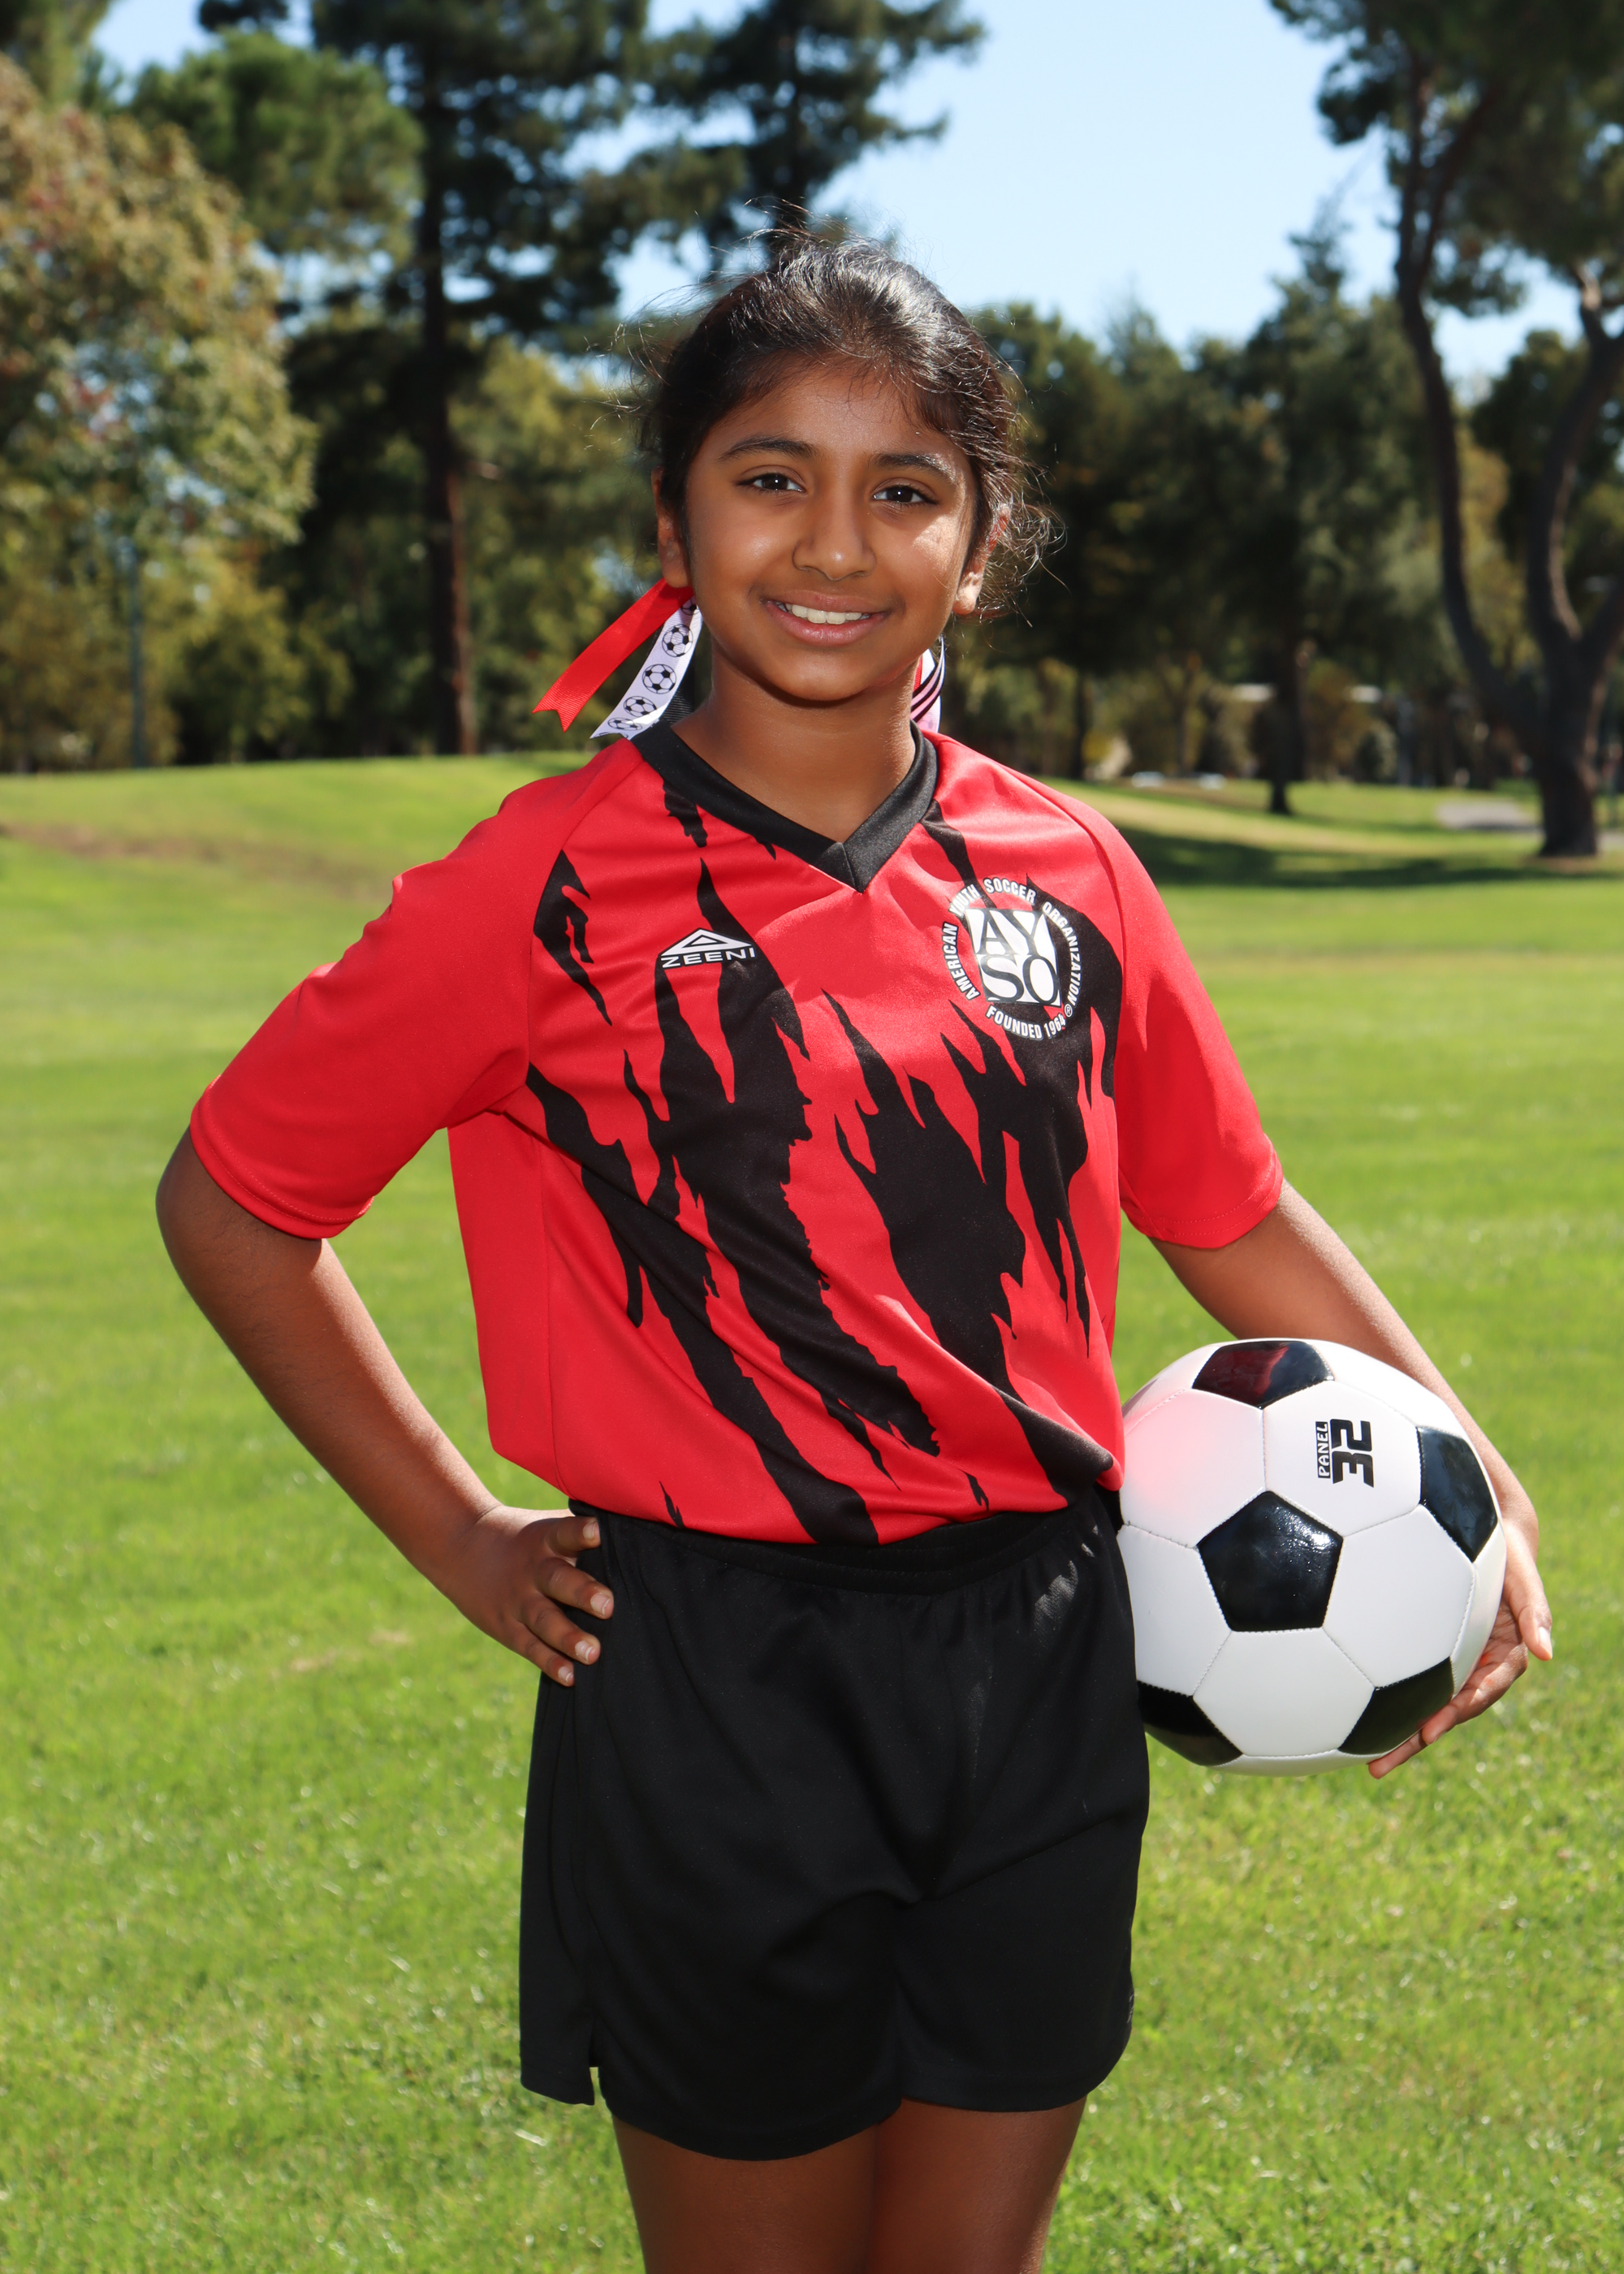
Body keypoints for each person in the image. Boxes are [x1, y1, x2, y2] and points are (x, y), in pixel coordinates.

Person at [155, 240, 1552, 2274]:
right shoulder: (544, 883)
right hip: (713, 1681)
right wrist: (459, 1535)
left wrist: (1460, 1456)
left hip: (1042, 1652)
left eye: (904, 488)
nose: (833, 541)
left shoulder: (1070, 872)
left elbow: (1224, 1206)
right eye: (769, 476)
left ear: (978, 548)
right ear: (672, 525)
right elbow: (235, 1199)